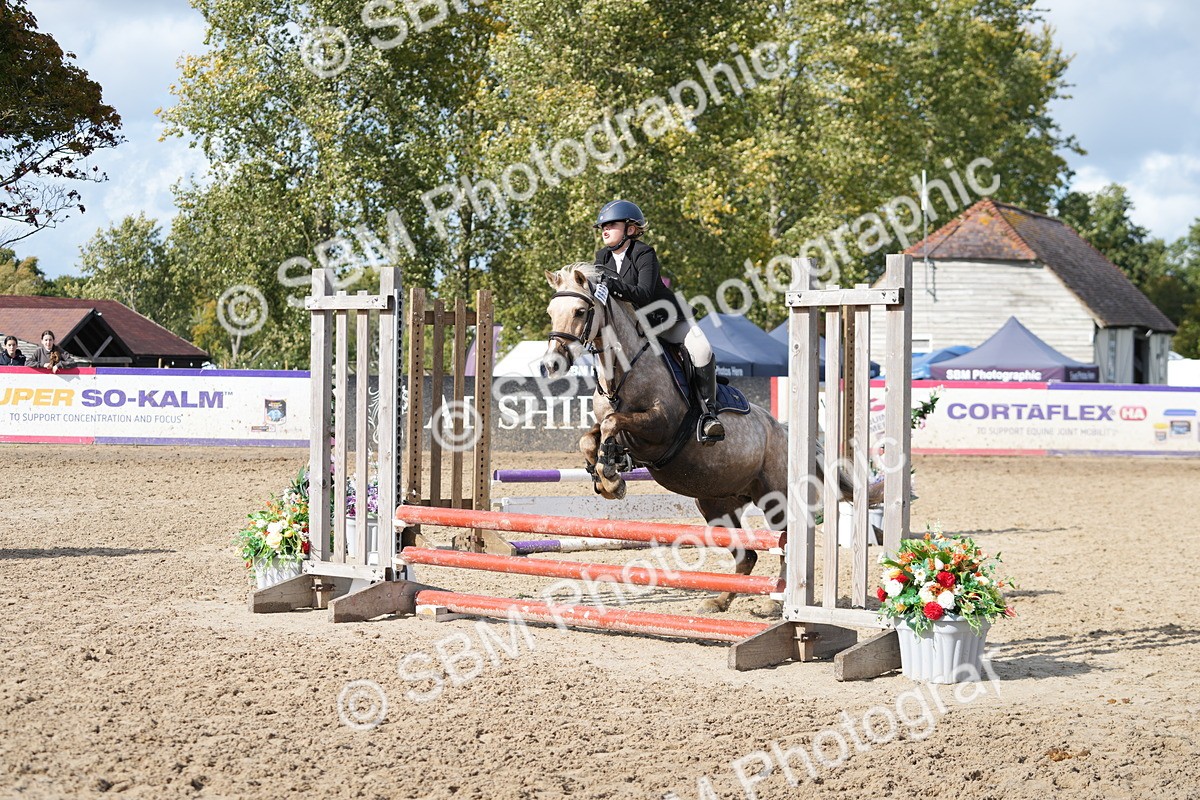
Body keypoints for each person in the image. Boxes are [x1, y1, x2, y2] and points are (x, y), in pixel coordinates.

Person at [591, 199, 725, 444]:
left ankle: (709, 415)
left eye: (611, 225)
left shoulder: (644, 253)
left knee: (702, 350)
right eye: (602, 227)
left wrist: (611, 284)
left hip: (665, 319)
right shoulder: (602, 257)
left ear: (630, 229)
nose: (605, 230)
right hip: (635, 328)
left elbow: (644, 293)